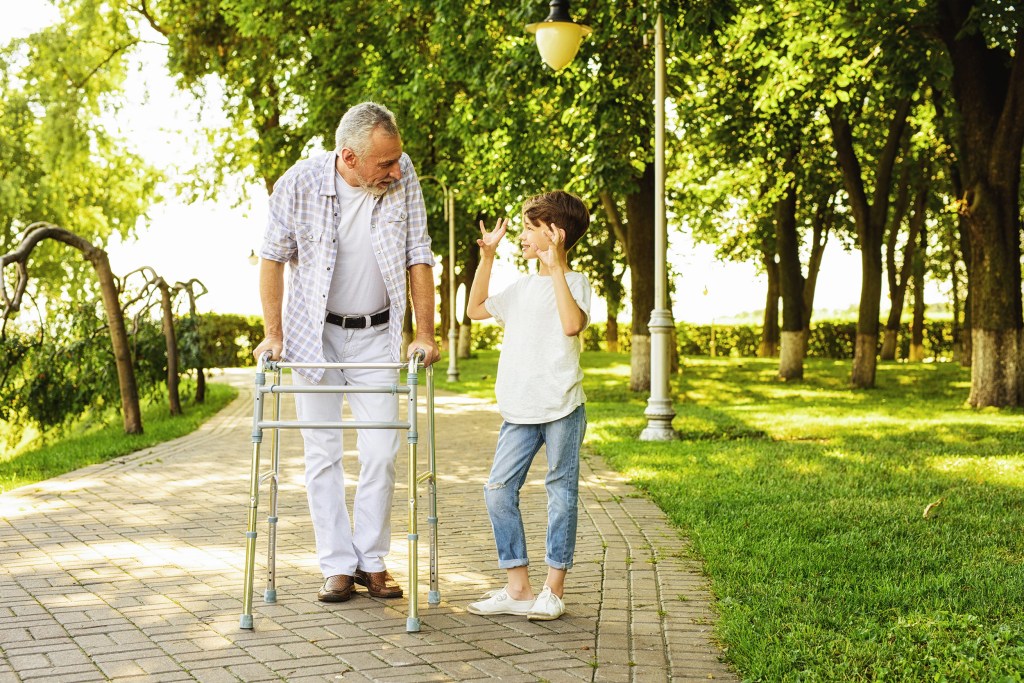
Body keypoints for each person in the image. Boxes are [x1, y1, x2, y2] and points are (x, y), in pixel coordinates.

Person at [253, 101, 440, 604]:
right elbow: (272, 259)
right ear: (349, 157)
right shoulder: (299, 183)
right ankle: (337, 564)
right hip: (314, 336)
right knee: (322, 453)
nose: (396, 170)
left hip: (377, 335)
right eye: (385, 164)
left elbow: (418, 254)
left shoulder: (405, 178)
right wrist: (274, 335)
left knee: (382, 450)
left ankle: (371, 560)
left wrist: (425, 332)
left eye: (398, 160)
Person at [464, 190, 592, 621]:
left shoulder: (576, 284)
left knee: (561, 495)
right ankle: (517, 587)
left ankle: (553, 590)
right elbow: (475, 309)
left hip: (561, 407)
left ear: (554, 234)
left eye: (529, 228)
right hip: (518, 412)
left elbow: (572, 325)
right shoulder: (519, 289)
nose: (521, 234)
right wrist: (487, 257)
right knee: (498, 491)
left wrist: (556, 267)